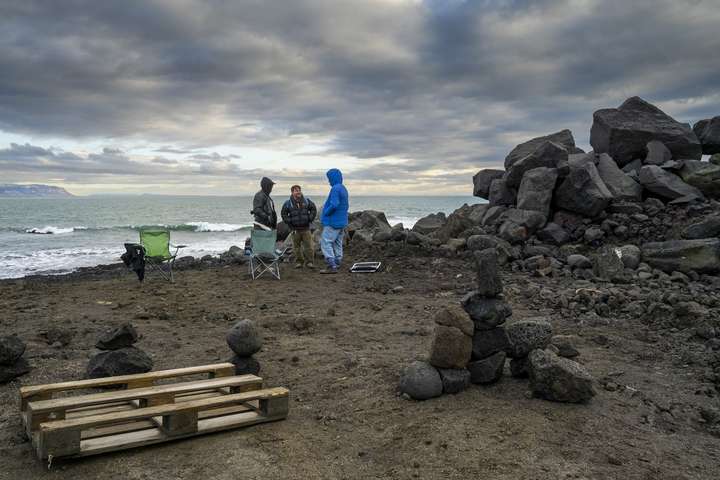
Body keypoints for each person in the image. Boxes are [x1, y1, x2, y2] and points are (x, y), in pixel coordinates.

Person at [319, 168, 349, 274]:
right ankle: (337, 261)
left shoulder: (335, 189)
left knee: (325, 241)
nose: (329, 181)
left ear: (333, 178)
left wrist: (326, 212)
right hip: (342, 222)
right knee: (337, 242)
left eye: (329, 178)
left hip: (333, 222)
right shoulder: (343, 188)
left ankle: (331, 265)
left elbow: (335, 204)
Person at [281, 185, 317, 269]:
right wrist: (289, 221)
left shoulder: (307, 201)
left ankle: (310, 262)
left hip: (306, 228)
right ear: (292, 192)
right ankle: (299, 262)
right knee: (296, 247)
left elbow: (313, 209)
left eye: (299, 190)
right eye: (296, 190)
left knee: (309, 246)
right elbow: (283, 213)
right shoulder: (288, 203)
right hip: (294, 229)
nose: (298, 192)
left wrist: (310, 218)